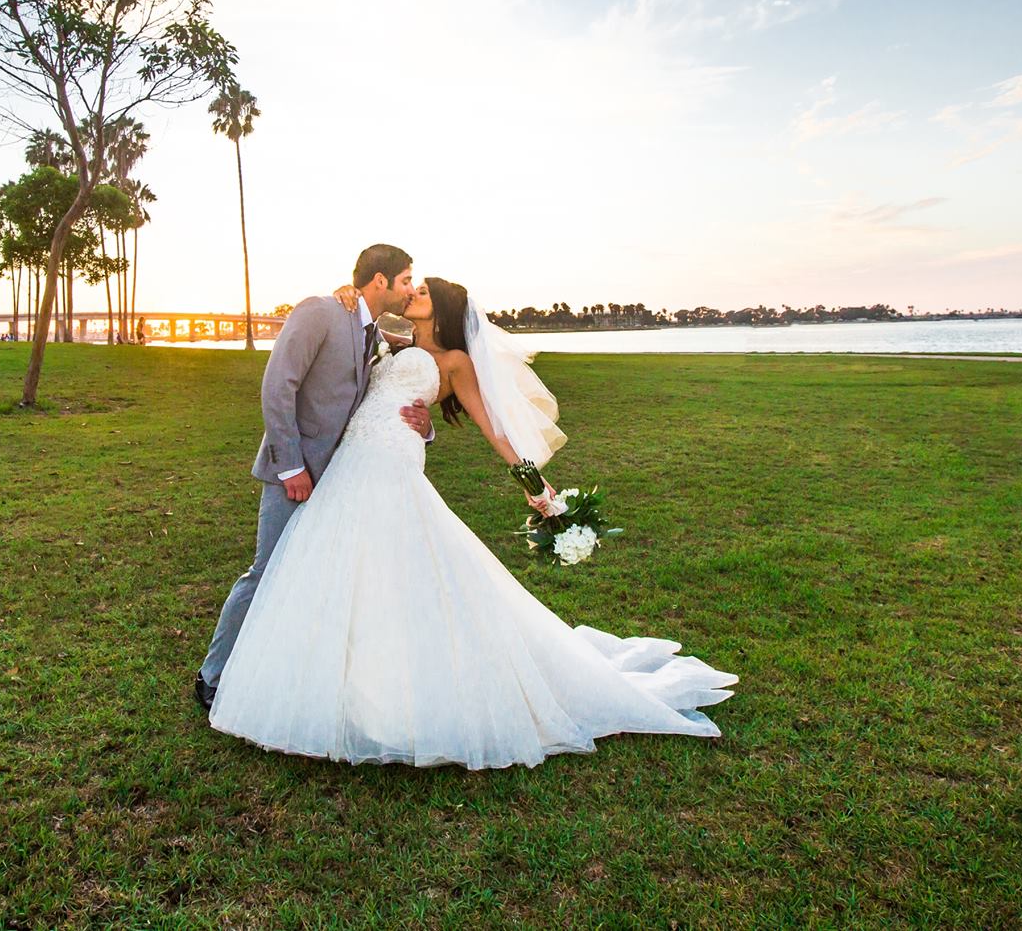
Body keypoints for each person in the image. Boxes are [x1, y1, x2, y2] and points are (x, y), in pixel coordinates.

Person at [206, 273, 738, 768]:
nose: (413, 292)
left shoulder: (456, 360)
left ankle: (394, 696)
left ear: (443, 308)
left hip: (391, 468)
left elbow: (495, 429)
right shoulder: (393, 342)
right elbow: (362, 367)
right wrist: (345, 292)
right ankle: (342, 684)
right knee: (344, 569)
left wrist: (534, 485)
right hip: (350, 466)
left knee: (397, 569)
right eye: (410, 284)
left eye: (423, 290)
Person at [194, 244, 437, 707]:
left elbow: (382, 398)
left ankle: (288, 673)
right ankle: (212, 675)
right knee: (266, 572)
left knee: (314, 579)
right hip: (297, 475)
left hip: (343, 481)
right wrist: (291, 467)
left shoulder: (375, 333)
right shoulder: (320, 312)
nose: (410, 288)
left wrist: (424, 428)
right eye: (406, 279)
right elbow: (277, 386)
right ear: (381, 280)